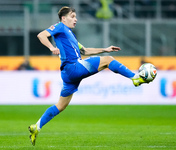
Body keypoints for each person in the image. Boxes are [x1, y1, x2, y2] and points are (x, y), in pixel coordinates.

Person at [28, 6, 146, 146]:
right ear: (64, 18)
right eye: (72, 16)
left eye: (76, 16)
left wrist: (105, 49)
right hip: (73, 67)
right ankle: (135, 78)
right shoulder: (59, 26)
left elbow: (85, 50)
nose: (75, 19)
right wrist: (51, 48)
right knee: (108, 60)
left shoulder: (69, 34)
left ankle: (37, 126)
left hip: (68, 73)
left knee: (60, 106)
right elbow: (41, 35)